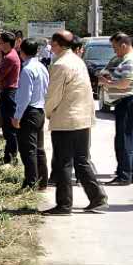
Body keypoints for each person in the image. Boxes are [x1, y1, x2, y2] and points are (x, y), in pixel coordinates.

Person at [43, 31, 107, 216]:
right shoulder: (77, 61)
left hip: (67, 119)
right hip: (82, 119)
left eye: (52, 44)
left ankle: (64, 205)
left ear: (57, 45)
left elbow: (53, 95)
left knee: (63, 163)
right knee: (81, 160)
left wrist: (47, 113)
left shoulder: (61, 64)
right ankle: (97, 197)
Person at [100, 33, 133, 185]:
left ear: (124, 45)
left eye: (115, 48)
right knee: (129, 138)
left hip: (128, 101)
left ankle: (124, 175)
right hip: (128, 102)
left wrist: (108, 83)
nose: (114, 51)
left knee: (124, 139)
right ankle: (130, 172)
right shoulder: (125, 59)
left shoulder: (130, 60)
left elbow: (124, 83)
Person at [10, 39, 49, 192]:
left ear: (22, 52)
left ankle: (31, 182)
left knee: (28, 150)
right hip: (39, 110)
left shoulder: (27, 70)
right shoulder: (41, 67)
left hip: (29, 112)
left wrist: (17, 116)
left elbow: (25, 96)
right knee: (39, 149)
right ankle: (42, 181)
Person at [0, 31, 21, 165]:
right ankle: (8, 155)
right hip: (8, 92)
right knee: (7, 126)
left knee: (9, 127)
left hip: (8, 93)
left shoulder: (10, 57)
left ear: (5, 44)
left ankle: (11, 157)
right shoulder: (11, 55)